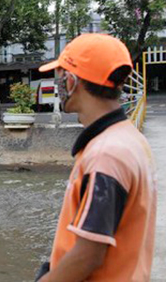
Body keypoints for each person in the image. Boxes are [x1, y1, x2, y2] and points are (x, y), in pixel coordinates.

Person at [35, 34, 156, 281]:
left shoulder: (106, 155)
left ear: (72, 81)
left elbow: (88, 255)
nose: (58, 83)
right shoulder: (128, 139)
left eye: (61, 75)